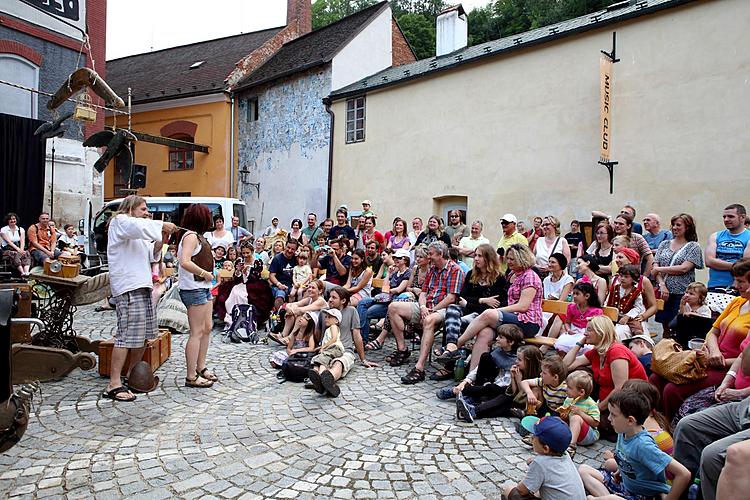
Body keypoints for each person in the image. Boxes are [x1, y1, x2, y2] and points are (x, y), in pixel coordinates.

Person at [650, 257, 750, 421]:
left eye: (741, 282)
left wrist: (718, 360)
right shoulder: (737, 302)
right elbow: (713, 331)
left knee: (672, 390)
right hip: (706, 357)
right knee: (656, 377)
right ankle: (653, 421)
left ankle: (672, 428)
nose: (735, 286)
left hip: (725, 367)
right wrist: (714, 351)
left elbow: (743, 358)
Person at [102, 196, 176, 402]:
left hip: (143, 285)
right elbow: (137, 225)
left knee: (143, 336)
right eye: (143, 209)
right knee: (125, 336)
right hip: (128, 287)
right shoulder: (120, 222)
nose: (146, 212)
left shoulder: (137, 231)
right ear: (130, 208)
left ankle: (132, 375)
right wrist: (162, 224)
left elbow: (152, 255)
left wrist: (161, 237)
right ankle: (113, 383)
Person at [441, 244, 543, 369]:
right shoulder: (513, 275)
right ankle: (472, 378)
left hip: (528, 322)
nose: (508, 262)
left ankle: (455, 346)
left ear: (522, 259)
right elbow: (463, 296)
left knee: (488, 314)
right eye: (508, 258)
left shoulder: (530, 276)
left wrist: (495, 310)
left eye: (512, 259)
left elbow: (523, 306)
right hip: (511, 318)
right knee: (484, 333)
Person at [578, 390, 690, 500]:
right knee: (583, 469)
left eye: (613, 415)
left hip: (643, 495)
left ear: (630, 420)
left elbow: (684, 474)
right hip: (625, 486)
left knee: (608, 498)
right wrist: (620, 471)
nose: (608, 418)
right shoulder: (623, 431)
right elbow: (627, 459)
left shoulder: (643, 446)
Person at [673, 341, 750, 500]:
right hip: (746, 406)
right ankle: (685, 493)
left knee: (713, 455)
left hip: (743, 398)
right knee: (687, 426)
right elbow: (746, 366)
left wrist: (740, 392)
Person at [563, 316, 648, 439]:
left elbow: (620, 388)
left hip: (627, 404)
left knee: (590, 422)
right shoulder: (597, 351)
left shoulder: (616, 351)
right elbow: (566, 366)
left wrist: (597, 409)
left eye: (590, 330)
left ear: (601, 332)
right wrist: (579, 344)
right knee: (580, 372)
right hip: (607, 400)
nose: (585, 333)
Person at [395, 241, 465, 384]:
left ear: (440, 254)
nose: (429, 256)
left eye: (431, 254)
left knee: (428, 320)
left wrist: (433, 309)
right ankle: (402, 350)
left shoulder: (455, 270)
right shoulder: (432, 269)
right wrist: (422, 307)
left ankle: (419, 368)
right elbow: (423, 292)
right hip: (427, 306)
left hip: (445, 309)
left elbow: (452, 297)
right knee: (393, 307)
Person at [436, 243, 508, 379]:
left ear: (488, 258)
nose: (475, 259)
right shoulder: (471, 274)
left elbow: (494, 307)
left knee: (455, 323)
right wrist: (482, 300)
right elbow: (462, 297)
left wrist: (471, 303)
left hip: (483, 317)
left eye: (479, 256)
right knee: (452, 309)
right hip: (471, 311)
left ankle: (449, 359)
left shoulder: (499, 279)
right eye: (475, 255)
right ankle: (451, 348)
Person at [307, 287, 378, 397]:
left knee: (339, 363)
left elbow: (357, 336)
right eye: (329, 297)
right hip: (327, 349)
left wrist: (363, 359)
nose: (330, 299)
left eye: (334, 297)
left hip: (345, 350)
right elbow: (317, 335)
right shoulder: (324, 312)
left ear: (343, 300)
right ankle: (316, 378)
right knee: (319, 362)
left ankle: (328, 379)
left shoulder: (351, 311)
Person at [177, 204, 218, 388]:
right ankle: (191, 375)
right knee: (196, 332)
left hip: (203, 287)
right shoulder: (191, 236)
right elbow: (184, 261)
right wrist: (204, 273)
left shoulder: (198, 236)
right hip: (194, 288)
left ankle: (201, 366)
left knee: (207, 327)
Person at [502, 416, 586, 500]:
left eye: (534, 436)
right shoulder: (565, 454)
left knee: (509, 490)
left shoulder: (540, 463)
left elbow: (522, 490)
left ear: (546, 448)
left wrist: (532, 473)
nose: (531, 438)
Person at [453, 324, 523, 423]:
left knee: (496, 393)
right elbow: (478, 369)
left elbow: (512, 389)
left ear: (510, 342)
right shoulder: (498, 351)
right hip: (495, 383)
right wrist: (465, 381)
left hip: (504, 389)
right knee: (485, 357)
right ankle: (471, 394)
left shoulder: (519, 359)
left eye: (501, 337)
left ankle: (464, 396)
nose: (497, 339)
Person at [652, 213, 704, 336]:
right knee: (664, 324)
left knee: (679, 323)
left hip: (682, 292)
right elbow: (655, 267)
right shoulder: (664, 244)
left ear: (687, 227)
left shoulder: (693, 246)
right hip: (664, 291)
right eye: (673, 224)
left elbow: (684, 268)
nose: (675, 227)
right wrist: (662, 284)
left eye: (678, 225)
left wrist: (660, 268)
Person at [359, 248, 412, 346]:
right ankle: (362, 338)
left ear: (405, 260)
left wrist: (388, 290)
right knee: (362, 303)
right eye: (395, 257)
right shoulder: (395, 273)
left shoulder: (408, 273)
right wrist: (388, 274)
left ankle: (364, 339)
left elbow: (399, 289)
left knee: (367, 312)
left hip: (395, 302)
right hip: (385, 298)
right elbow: (385, 286)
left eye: (399, 258)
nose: (396, 260)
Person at [706, 203, 750, 290]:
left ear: (742, 217)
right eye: (724, 217)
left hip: (738, 288)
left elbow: (746, 265)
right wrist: (737, 265)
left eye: (730, 216)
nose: (726, 219)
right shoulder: (715, 236)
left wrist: (718, 263)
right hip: (715, 286)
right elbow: (709, 262)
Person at [270, 280, 327, 345]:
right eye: (309, 287)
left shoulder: (320, 301)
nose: (310, 289)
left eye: (313, 288)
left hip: (317, 327)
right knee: (290, 315)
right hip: (308, 322)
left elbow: (302, 310)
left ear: (320, 291)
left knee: (300, 315)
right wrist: (289, 308)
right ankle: (283, 335)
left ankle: (290, 338)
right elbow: (292, 304)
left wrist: (291, 310)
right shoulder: (310, 299)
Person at [558, 371, 600, 457]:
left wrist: (580, 413)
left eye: (569, 387)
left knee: (576, 418)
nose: (566, 389)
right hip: (573, 432)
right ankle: (543, 437)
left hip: (588, 436)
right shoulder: (568, 400)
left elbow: (595, 423)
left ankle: (571, 446)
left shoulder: (590, 403)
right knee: (556, 420)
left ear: (581, 392)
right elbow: (567, 419)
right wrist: (564, 417)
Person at [553, 282, 603, 353]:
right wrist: (568, 330)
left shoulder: (596, 311)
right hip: (574, 333)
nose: (574, 296)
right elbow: (567, 322)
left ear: (587, 296)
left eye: (577, 294)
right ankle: (564, 362)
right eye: (574, 294)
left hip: (586, 335)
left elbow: (597, 328)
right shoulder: (571, 307)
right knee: (561, 344)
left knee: (588, 347)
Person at [309, 308, 345, 372]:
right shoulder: (328, 329)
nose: (326, 319)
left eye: (329, 317)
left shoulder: (333, 326)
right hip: (329, 349)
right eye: (326, 317)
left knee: (324, 358)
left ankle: (321, 373)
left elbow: (334, 339)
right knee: (316, 358)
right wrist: (319, 348)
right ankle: (315, 371)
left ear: (336, 321)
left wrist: (323, 347)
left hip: (335, 348)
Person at [268, 238, 299, 308]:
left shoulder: (297, 259)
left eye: (293, 249)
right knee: (280, 296)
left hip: (293, 285)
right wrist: (278, 284)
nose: (290, 250)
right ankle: (278, 314)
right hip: (279, 285)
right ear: (285, 246)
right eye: (288, 247)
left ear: (296, 250)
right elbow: (271, 275)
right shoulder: (277, 258)